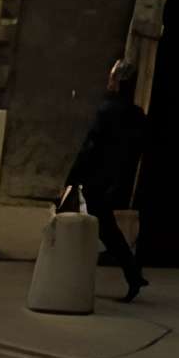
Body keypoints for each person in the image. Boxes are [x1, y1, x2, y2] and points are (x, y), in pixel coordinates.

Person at [64, 58, 148, 301]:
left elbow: (90, 147)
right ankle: (133, 273)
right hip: (115, 180)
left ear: (117, 82)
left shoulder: (107, 110)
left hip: (96, 180)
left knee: (100, 228)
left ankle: (130, 273)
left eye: (112, 77)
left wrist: (71, 178)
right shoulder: (136, 115)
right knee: (105, 227)